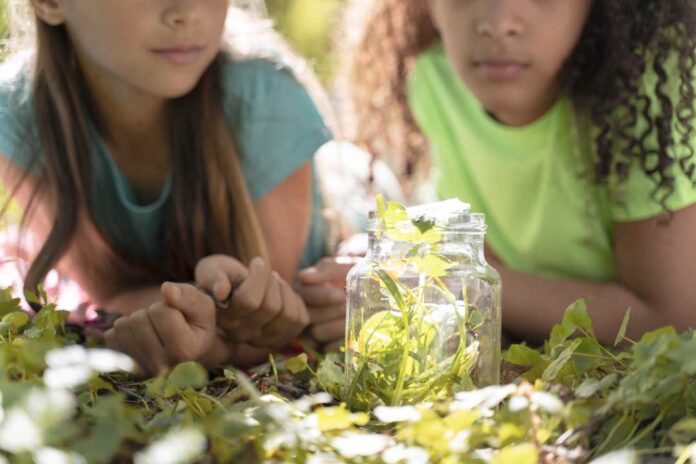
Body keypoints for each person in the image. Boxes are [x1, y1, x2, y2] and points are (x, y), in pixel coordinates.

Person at [0, 0, 336, 375]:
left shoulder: (266, 99)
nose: (186, 11)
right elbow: (111, 293)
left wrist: (218, 313)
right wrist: (187, 319)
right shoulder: (17, 112)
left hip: (342, 202)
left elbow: (258, 327)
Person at [337, 0, 696, 344]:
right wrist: (385, 272)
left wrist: (438, 282)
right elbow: (490, 262)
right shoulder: (435, 78)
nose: (498, 24)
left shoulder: (650, 92)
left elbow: (670, 320)